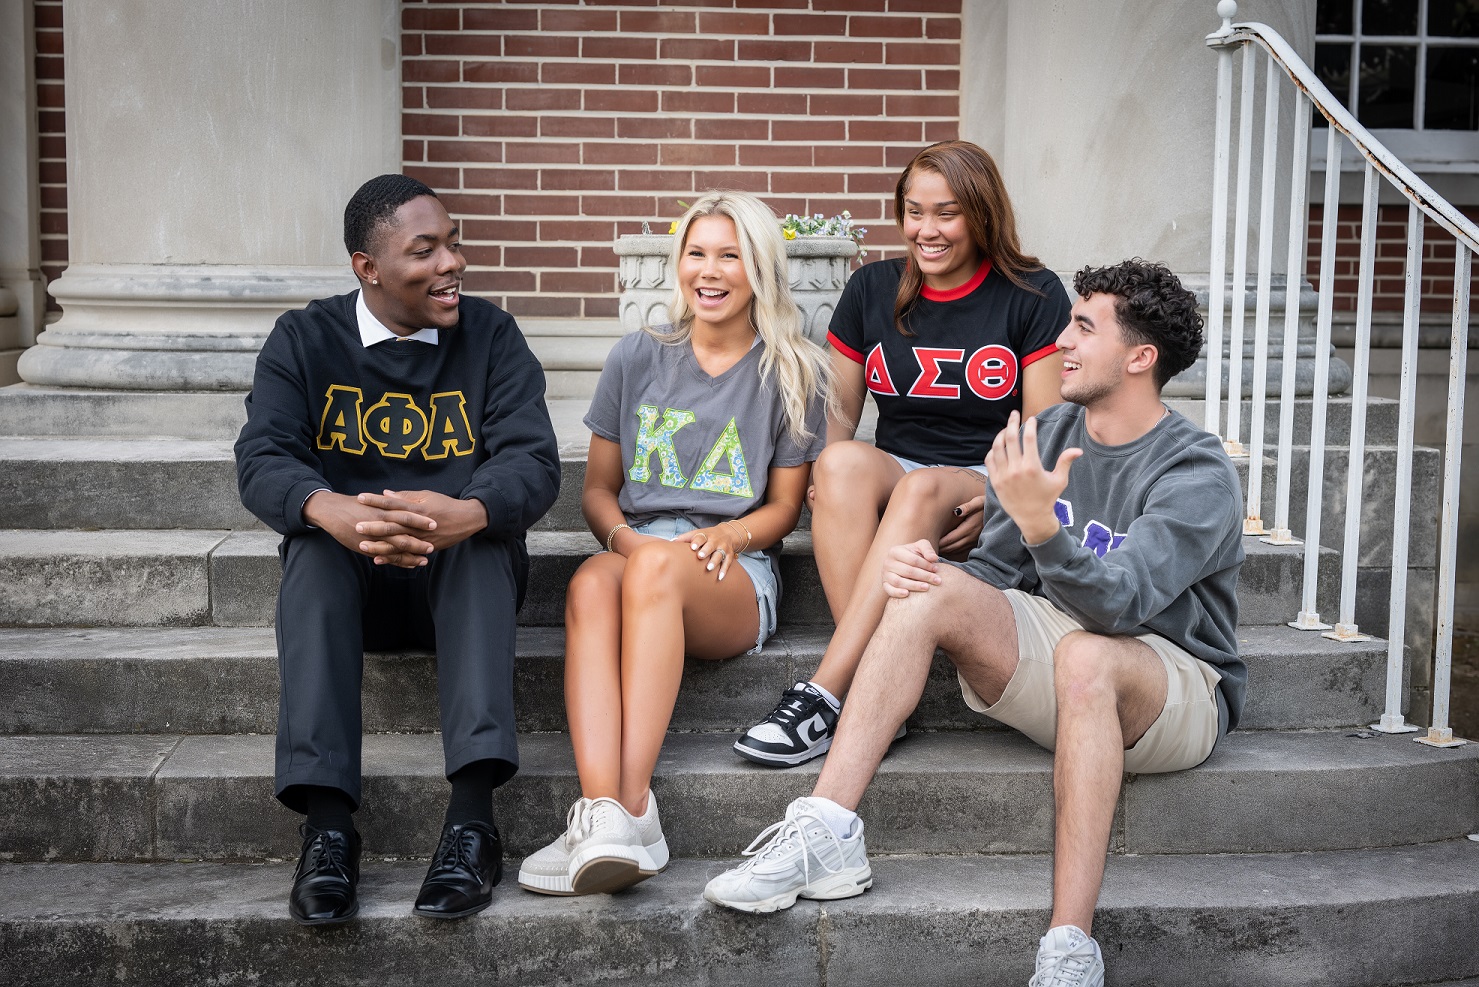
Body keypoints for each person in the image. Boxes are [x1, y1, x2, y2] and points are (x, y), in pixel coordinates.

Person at [705, 259, 1246, 987]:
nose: (1061, 341)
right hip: (1066, 647)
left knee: (1090, 655)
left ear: (1139, 357)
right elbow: (993, 576)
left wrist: (1039, 527)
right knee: (931, 585)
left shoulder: (1195, 469)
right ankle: (825, 830)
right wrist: (927, 575)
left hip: (1169, 677)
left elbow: (1121, 604)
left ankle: (1067, 944)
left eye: (1084, 327)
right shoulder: (1046, 433)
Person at [235, 174, 560, 925]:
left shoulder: (491, 335)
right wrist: (329, 508)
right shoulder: (305, 339)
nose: (452, 262)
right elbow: (264, 455)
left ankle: (472, 824)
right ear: (367, 267)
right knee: (311, 551)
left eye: (453, 241)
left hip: (459, 581)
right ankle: (326, 830)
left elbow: (531, 460)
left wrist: (468, 510)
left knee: (482, 543)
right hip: (356, 587)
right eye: (426, 250)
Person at [516, 190, 829, 897]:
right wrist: (624, 539)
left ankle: (629, 808)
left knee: (650, 571)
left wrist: (729, 531)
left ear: (760, 270)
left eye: (730, 255)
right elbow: (598, 489)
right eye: (695, 253)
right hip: (640, 554)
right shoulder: (636, 357)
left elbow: (784, 508)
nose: (709, 270)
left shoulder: (791, 371)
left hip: (731, 571)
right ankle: (602, 813)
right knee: (590, 582)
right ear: (676, 263)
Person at [734, 140, 1071, 768]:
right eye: (914, 212)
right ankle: (872, 689)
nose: (926, 230)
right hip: (900, 470)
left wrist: (1001, 503)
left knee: (918, 490)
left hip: (977, 478)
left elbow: (1048, 429)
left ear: (982, 214)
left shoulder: (1032, 293)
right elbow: (839, 414)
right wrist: (826, 486)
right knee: (835, 465)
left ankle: (828, 692)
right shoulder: (872, 287)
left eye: (945, 213)